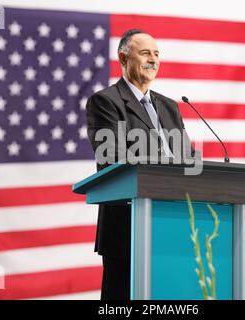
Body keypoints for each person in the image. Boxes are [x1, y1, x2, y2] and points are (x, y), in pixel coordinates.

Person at [85, 28, 196, 300]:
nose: (153, 60)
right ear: (123, 59)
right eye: (145, 53)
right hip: (128, 228)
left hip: (173, 224)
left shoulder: (170, 106)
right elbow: (113, 161)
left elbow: (187, 160)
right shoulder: (106, 102)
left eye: (157, 54)